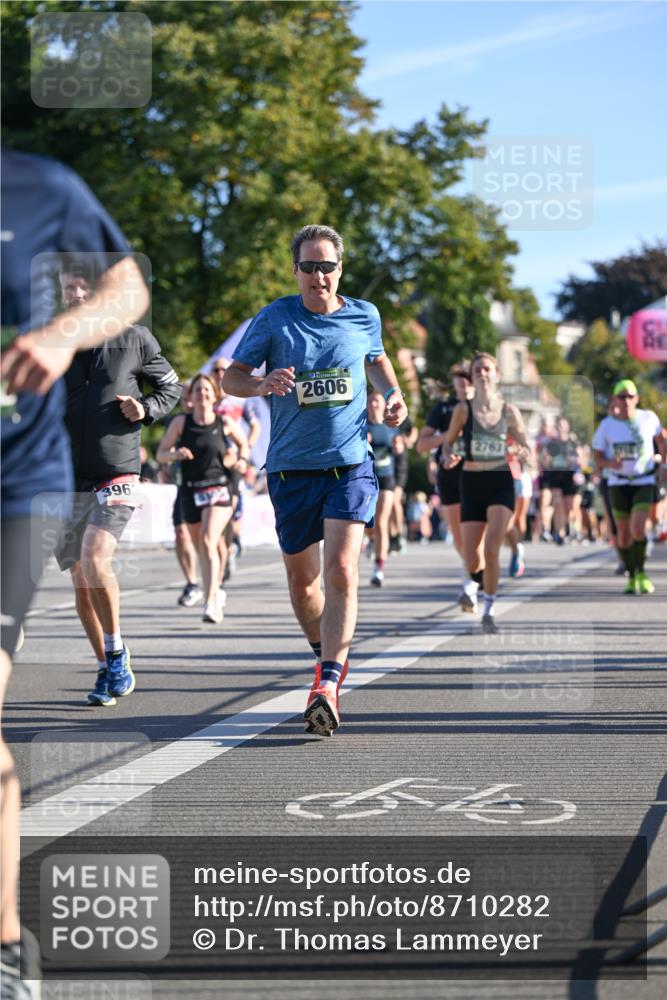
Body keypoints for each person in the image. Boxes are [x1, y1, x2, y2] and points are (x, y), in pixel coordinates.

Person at [1, 147, 149, 999]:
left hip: (18, 487)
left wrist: (62, 334)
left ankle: (5, 949)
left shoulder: (43, 188)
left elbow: (126, 287)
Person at [223, 224, 407, 736]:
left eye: (327, 266)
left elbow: (376, 360)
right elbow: (229, 377)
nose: (319, 276)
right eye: (309, 266)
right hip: (290, 469)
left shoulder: (363, 315)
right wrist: (260, 383)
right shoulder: (276, 318)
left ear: (339, 269)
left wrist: (394, 396)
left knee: (342, 571)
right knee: (304, 585)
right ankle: (324, 655)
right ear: (296, 270)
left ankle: (327, 681)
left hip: (349, 463)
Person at [53, 265, 181, 706]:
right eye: (69, 288)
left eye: (83, 286)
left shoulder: (135, 337)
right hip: (67, 478)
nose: (76, 294)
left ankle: (115, 652)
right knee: (79, 582)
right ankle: (110, 663)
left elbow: (171, 387)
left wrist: (144, 409)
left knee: (94, 557)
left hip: (117, 471)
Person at [442, 352, 530, 634]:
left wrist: (521, 450)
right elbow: (448, 443)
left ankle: (489, 609)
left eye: (487, 369)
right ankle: (482, 583)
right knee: (471, 557)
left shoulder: (509, 411)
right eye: (477, 370)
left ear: (496, 374)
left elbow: (527, 445)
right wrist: (449, 456)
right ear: (472, 376)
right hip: (470, 481)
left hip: (500, 480)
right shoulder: (463, 410)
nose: (482, 374)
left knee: (492, 548)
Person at [157, 372, 249, 623]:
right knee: (202, 547)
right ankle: (216, 589)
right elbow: (160, 454)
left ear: (214, 394)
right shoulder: (180, 423)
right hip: (190, 489)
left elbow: (244, 446)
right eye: (197, 390)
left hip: (219, 488)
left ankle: (210, 603)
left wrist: (239, 460)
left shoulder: (224, 422)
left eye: (207, 390)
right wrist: (174, 455)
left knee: (209, 541)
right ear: (191, 396)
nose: (202, 394)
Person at [592, 380, 665, 594]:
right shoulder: (607, 425)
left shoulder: (648, 418)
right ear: (614, 400)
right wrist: (608, 463)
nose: (626, 401)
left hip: (643, 480)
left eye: (630, 396)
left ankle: (642, 572)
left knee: (637, 529)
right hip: (618, 482)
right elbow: (597, 457)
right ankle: (632, 576)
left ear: (637, 398)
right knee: (622, 535)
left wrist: (663, 463)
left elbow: (662, 440)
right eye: (621, 397)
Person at [417, 362, 475, 601]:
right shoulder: (442, 409)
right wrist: (448, 436)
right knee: (459, 536)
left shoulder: (483, 407)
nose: (463, 381)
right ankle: (471, 570)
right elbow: (422, 445)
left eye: (467, 376)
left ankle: (470, 583)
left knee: (473, 530)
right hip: (449, 474)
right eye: (458, 377)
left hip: (476, 473)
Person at [367, 390, 399, 586]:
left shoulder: (390, 425)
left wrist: (399, 447)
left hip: (387, 477)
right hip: (366, 478)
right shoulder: (361, 425)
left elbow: (401, 445)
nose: (373, 405)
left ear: (383, 404)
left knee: (381, 522)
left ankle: (379, 568)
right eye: (370, 401)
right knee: (367, 525)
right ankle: (372, 540)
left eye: (377, 401)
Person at [539, 415, 584, 544]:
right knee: (557, 503)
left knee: (571, 507)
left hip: (570, 477)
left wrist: (573, 461)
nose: (560, 428)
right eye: (558, 425)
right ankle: (560, 533)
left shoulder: (573, 443)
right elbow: (544, 460)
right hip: (555, 475)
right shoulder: (551, 443)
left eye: (563, 425)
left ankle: (574, 529)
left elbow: (582, 461)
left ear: (567, 427)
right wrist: (546, 461)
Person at [389, 415, 417, 552]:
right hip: (383, 460)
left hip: (399, 462)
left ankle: (399, 534)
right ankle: (392, 535)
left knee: (395, 499)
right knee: (385, 502)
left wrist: (408, 441)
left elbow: (413, 430)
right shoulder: (372, 405)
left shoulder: (396, 407)